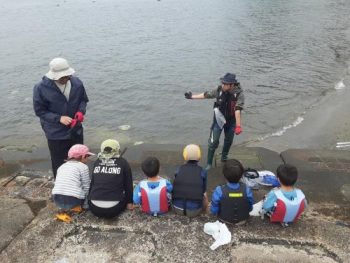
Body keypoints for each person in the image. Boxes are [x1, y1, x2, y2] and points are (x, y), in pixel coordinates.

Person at [33, 57, 89, 178]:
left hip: (76, 130)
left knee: (79, 158)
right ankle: (60, 186)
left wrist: (80, 111)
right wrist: (58, 118)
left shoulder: (77, 83)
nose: (66, 79)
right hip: (55, 133)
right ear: (53, 76)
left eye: (67, 76)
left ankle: (79, 182)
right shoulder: (40, 88)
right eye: (62, 77)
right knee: (60, 162)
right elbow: (40, 111)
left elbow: (83, 100)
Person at [184, 73, 244, 169]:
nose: (223, 85)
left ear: (232, 85)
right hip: (218, 119)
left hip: (231, 121)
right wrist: (192, 97)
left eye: (226, 84)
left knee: (228, 140)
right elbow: (206, 95)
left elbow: (237, 110)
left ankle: (224, 157)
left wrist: (238, 125)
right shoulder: (219, 90)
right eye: (223, 83)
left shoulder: (239, 94)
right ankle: (209, 163)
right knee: (213, 142)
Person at [88, 139, 133, 218]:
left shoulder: (97, 162)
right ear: (118, 150)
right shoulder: (123, 162)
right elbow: (128, 185)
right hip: (114, 209)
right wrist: (129, 202)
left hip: (93, 207)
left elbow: (92, 183)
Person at [52, 144, 94, 222]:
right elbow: (86, 187)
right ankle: (76, 207)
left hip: (57, 199)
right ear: (82, 157)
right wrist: (86, 205)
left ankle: (64, 209)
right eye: (87, 156)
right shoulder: (83, 167)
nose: (88, 159)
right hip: (73, 200)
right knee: (90, 184)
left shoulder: (61, 166)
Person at [211, 159, 254, 224]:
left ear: (224, 175)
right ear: (241, 176)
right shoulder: (247, 190)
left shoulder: (219, 190)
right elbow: (250, 207)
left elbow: (214, 210)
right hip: (243, 219)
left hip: (224, 219)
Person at [172, 144, 208, 217]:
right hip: (195, 210)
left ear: (185, 156)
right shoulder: (202, 171)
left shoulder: (179, 169)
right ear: (199, 157)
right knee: (205, 193)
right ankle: (204, 211)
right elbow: (203, 191)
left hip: (176, 208)